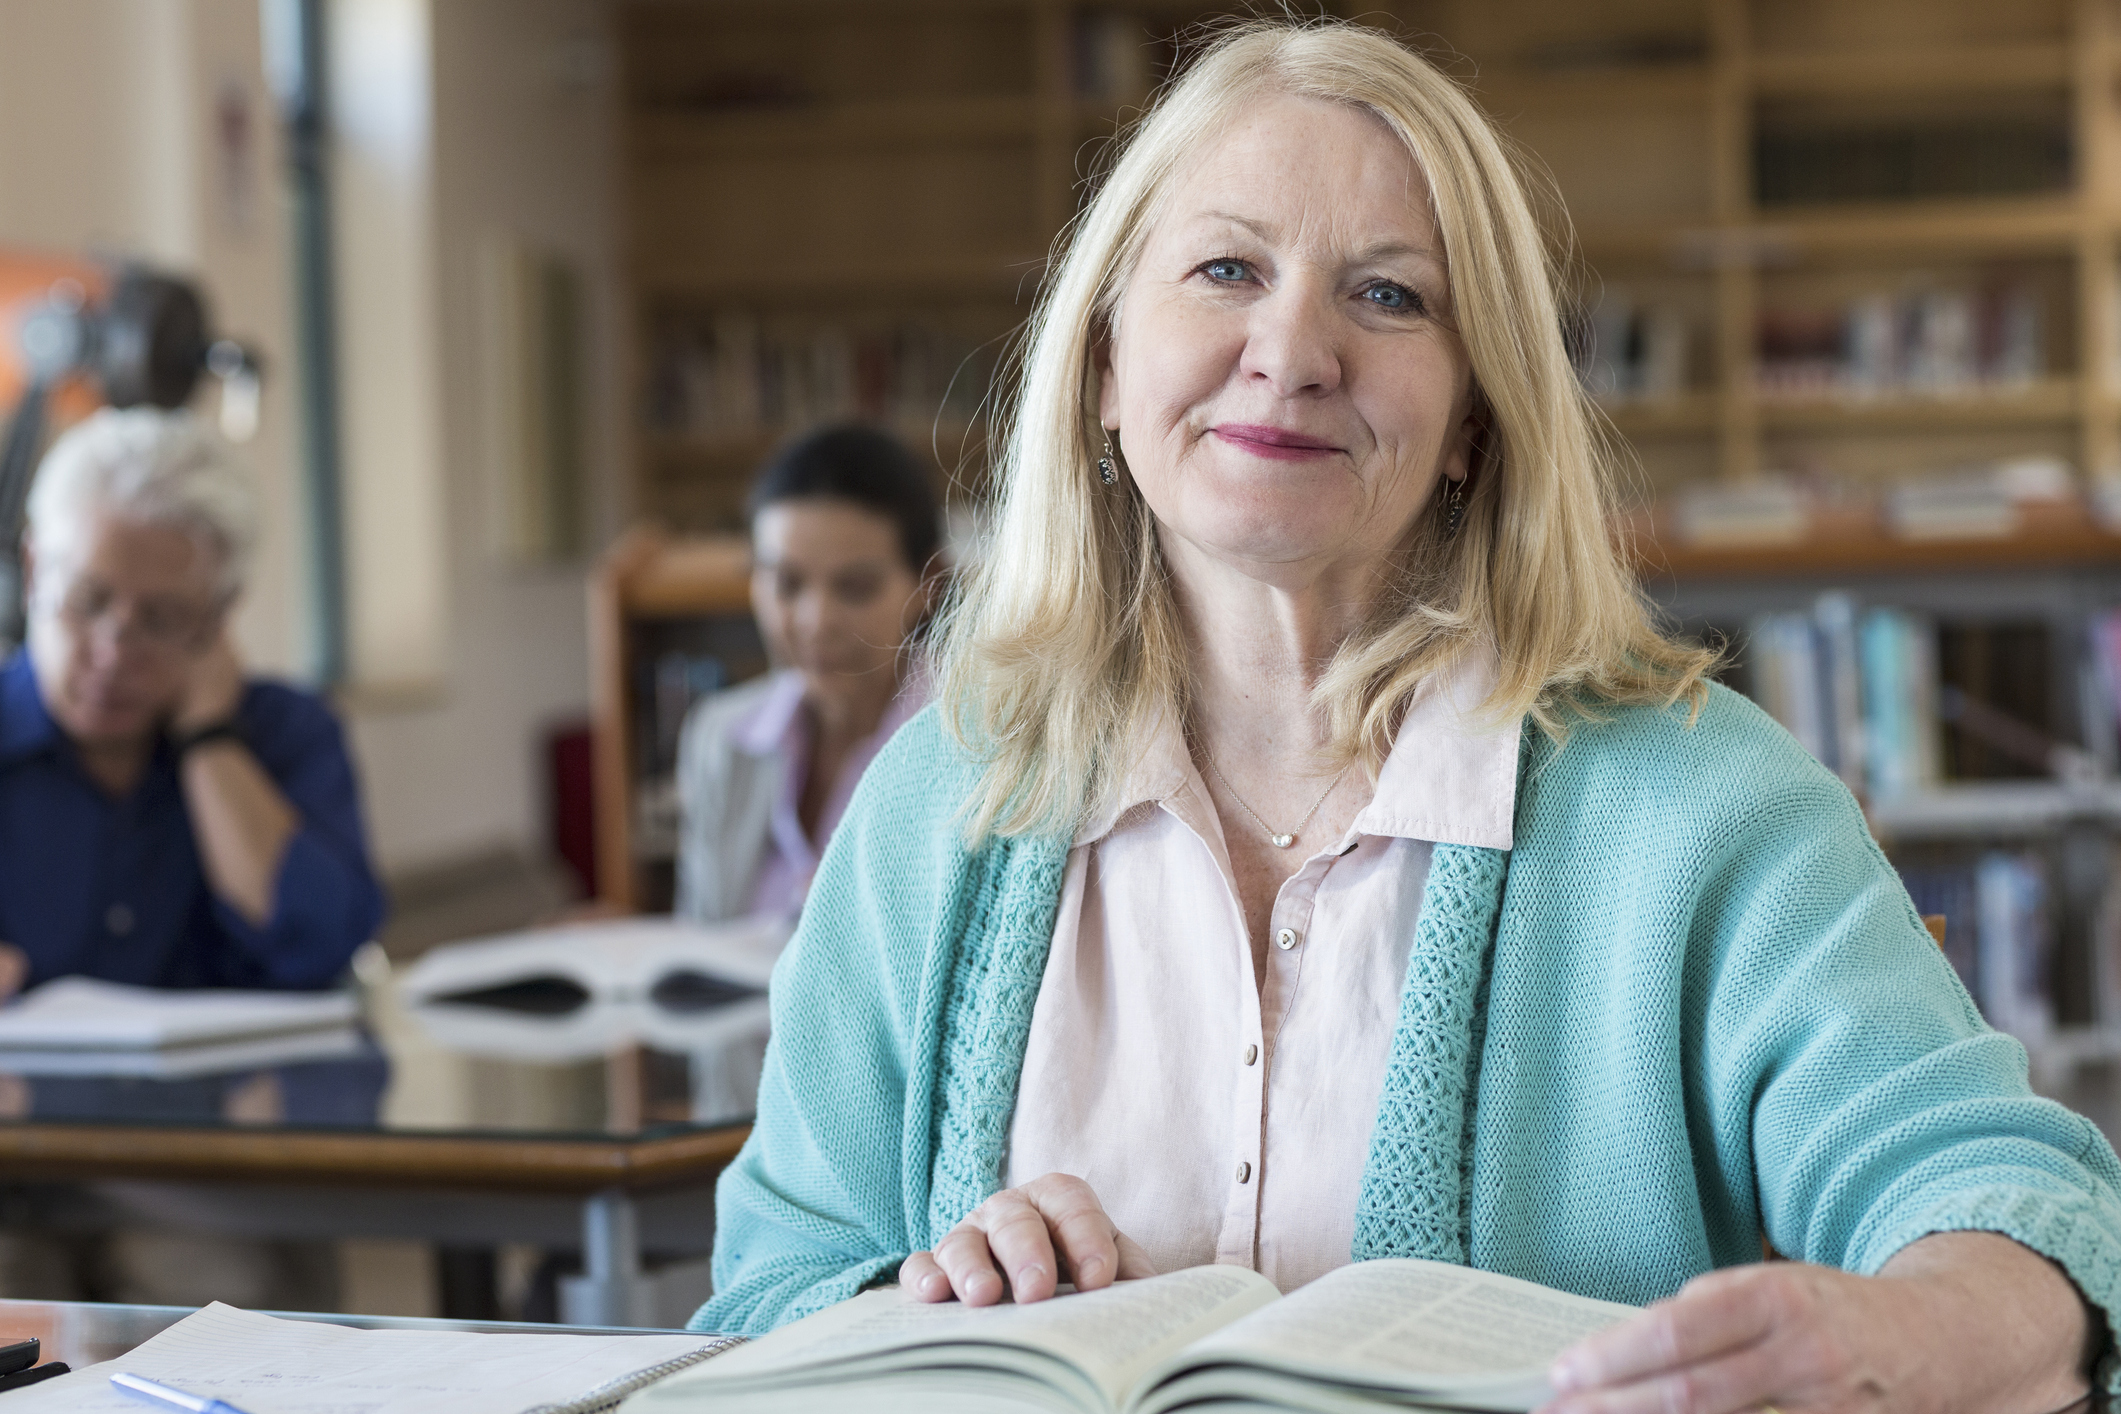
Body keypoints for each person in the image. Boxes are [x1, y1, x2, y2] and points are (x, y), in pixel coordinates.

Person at [693, 21, 2121, 1412]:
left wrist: (1913, 1334)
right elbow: (769, 1288)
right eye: (1224, 268)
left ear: (1472, 428)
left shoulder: (1704, 807)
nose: (1291, 346)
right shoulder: (933, 804)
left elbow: (2018, 1203)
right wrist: (929, 1305)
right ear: (1107, 368)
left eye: (1387, 295)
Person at [0, 407, 384, 1000]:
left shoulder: (285, 732)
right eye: (87, 599)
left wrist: (209, 739)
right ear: (32, 573)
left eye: (161, 619)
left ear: (219, 614)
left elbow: (322, 946)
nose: (113, 652)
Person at [674, 423, 941, 924]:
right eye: (786, 583)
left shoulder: (975, 747)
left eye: (856, 587)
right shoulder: (718, 736)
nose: (816, 622)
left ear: (928, 583)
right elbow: (699, 940)